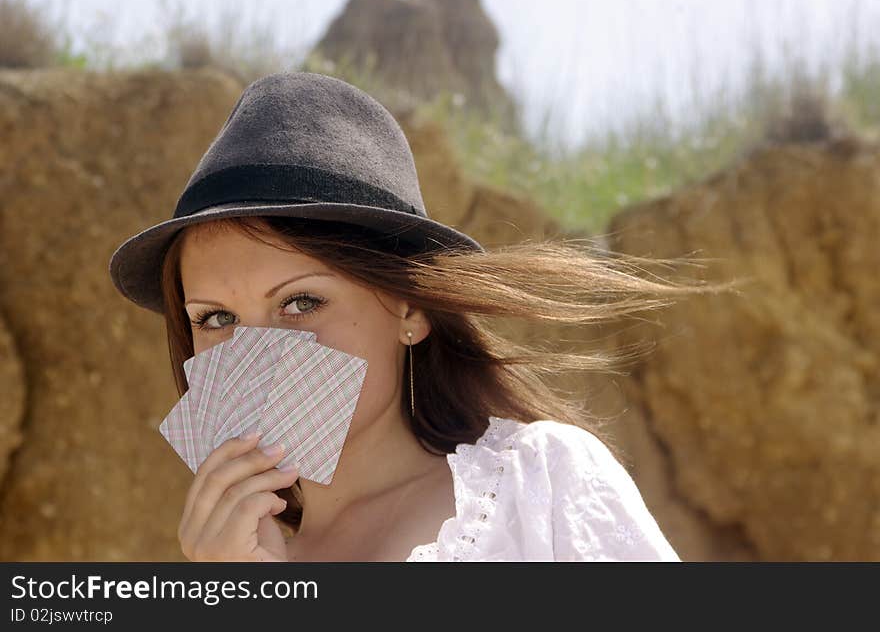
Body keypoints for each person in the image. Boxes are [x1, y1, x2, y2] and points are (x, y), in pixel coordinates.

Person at [109, 71, 726, 561]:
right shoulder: (238, 565)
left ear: (410, 308)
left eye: (301, 302)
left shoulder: (539, 481)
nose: (255, 352)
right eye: (215, 318)